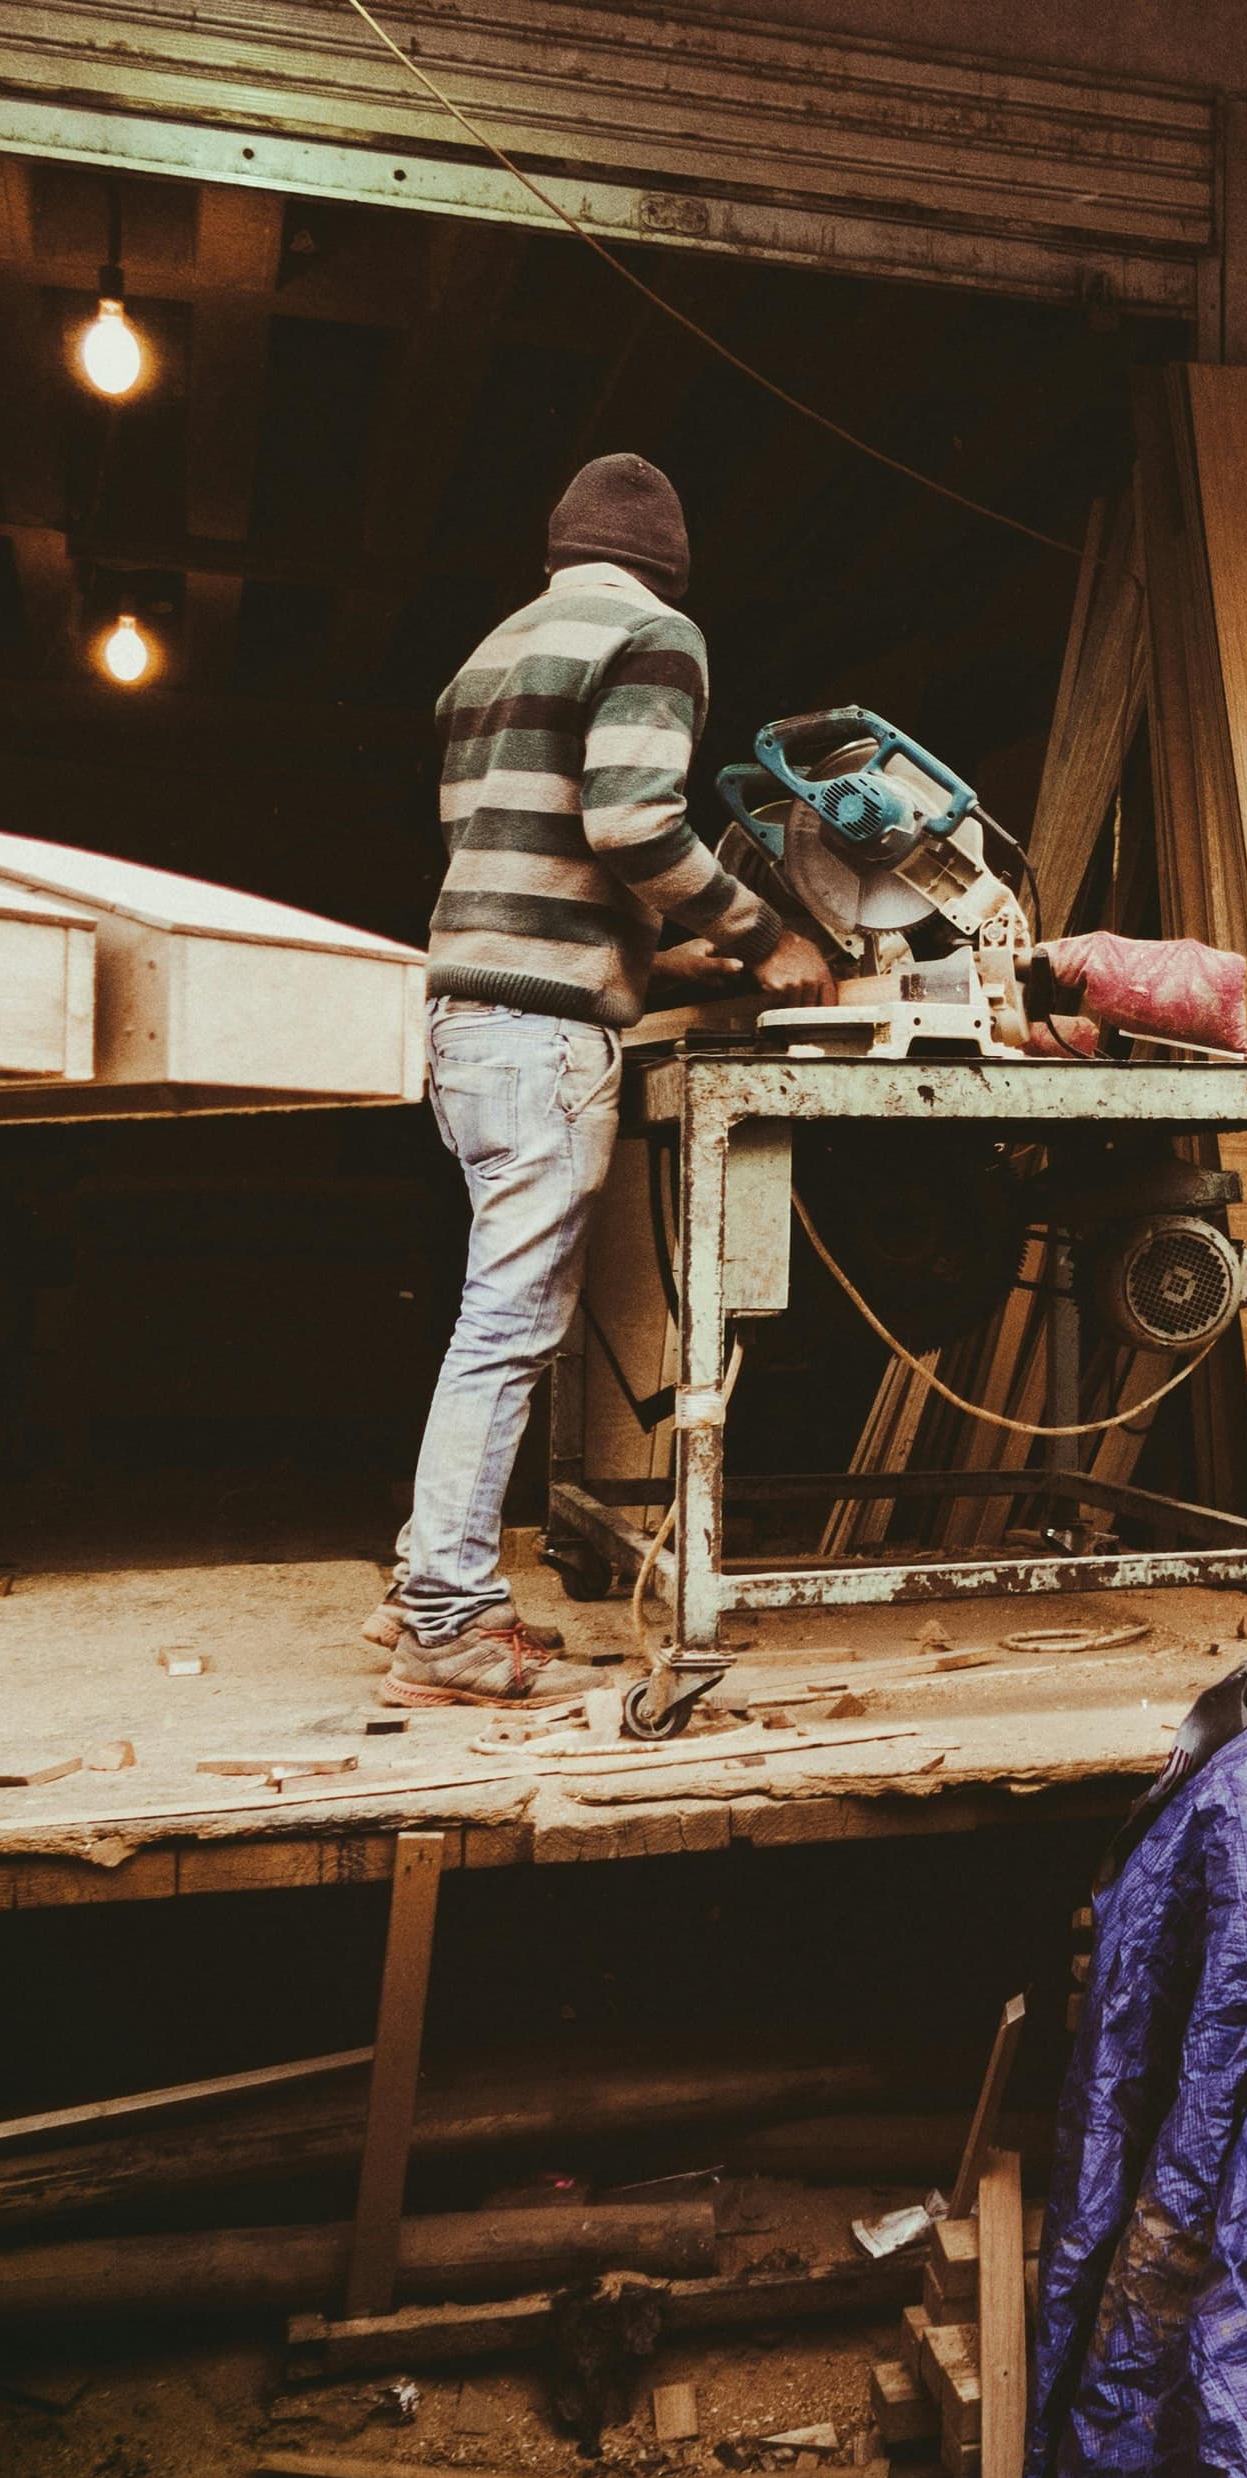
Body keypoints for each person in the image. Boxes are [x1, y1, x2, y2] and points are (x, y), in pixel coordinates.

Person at [381, 453, 830, 1706]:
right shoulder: (654, 630)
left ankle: (425, 1577)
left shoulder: (490, 654)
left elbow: (529, 862)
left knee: (492, 1320)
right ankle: (444, 1624)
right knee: (510, 1326)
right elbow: (633, 824)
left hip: (468, 1023)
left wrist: (649, 947)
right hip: (539, 1044)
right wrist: (763, 939)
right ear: (668, 561)